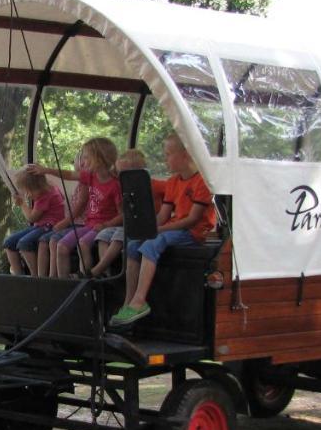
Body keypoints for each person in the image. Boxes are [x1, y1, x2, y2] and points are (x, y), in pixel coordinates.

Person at [110, 135, 217, 327]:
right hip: (174, 228)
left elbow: (192, 220)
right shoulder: (174, 182)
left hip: (192, 233)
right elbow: (163, 215)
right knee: (134, 245)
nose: (165, 159)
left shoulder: (202, 182)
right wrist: (149, 229)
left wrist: (158, 231)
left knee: (153, 243)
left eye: (168, 154)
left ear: (185, 155)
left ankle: (140, 299)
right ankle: (128, 300)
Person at [28, 137, 121, 278]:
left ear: (99, 159)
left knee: (82, 243)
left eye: (86, 157)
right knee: (61, 246)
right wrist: (46, 170)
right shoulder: (91, 176)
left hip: (102, 226)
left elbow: (123, 214)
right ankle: (62, 283)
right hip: (90, 224)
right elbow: (69, 174)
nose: (82, 161)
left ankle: (86, 279)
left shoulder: (115, 185)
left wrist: (106, 224)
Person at [87, 149, 165, 278]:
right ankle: (106, 273)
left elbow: (173, 194)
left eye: (123, 174)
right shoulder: (125, 188)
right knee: (103, 235)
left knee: (120, 234)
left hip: (146, 224)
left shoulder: (156, 185)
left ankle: (97, 270)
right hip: (131, 223)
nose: (119, 177)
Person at [2, 169, 66, 276]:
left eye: (29, 191)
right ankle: (18, 275)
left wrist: (22, 204)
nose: (28, 195)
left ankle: (34, 276)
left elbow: (31, 218)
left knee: (24, 243)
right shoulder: (45, 190)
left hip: (50, 226)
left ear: (37, 186)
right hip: (40, 226)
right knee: (9, 242)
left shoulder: (45, 196)